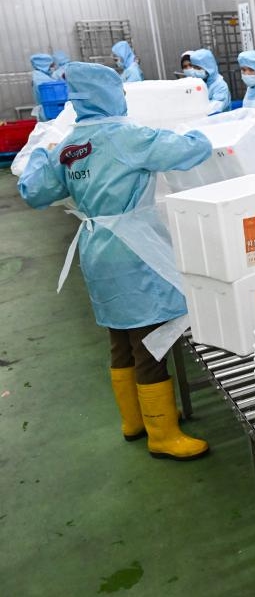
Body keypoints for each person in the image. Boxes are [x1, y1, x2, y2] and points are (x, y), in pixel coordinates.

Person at [18, 62, 213, 461]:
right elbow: (191, 150)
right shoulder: (127, 136)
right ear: (110, 95)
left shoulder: (69, 147)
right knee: (149, 341)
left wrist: (41, 150)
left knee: (120, 339)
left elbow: (34, 192)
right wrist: (195, 131)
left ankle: (135, 420)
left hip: (95, 248)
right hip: (133, 250)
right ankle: (163, 432)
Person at [187, 49, 230, 114]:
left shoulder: (220, 85)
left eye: (198, 68)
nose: (195, 71)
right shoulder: (201, 82)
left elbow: (214, 108)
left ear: (209, 67)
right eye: (194, 67)